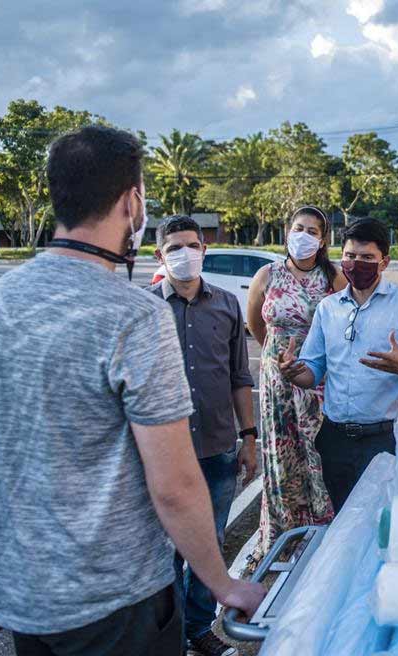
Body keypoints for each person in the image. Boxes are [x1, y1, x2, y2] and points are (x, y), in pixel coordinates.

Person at [0, 125, 264, 656]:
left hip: (22, 595)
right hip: (113, 604)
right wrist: (223, 582)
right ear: (132, 201)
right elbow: (173, 481)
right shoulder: (134, 315)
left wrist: (2, 546)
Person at [279, 218, 398, 509]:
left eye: (367, 258)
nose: (357, 264)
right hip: (334, 439)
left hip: (385, 440)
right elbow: (312, 370)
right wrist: (294, 372)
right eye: (350, 256)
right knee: (344, 523)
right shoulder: (328, 309)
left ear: (384, 262)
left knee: (382, 523)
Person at [149, 215, 258, 656]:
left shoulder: (228, 305)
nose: (184, 254)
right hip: (164, 453)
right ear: (159, 256)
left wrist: (248, 436)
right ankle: (167, 635)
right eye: (174, 248)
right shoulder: (145, 309)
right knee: (165, 552)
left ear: (204, 249)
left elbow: (238, 376)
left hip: (216, 447)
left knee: (208, 545)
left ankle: (197, 628)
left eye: (191, 245)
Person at [246, 206, 345, 561]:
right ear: (287, 231)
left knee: (316, 452)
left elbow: (345, 324)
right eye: (298, 228)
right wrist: (277, 355)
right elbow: (257, 325)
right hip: (277, 382)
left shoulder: (332, 277)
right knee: (280, 454)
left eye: (313, 231)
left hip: (317, 379)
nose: (304, 235)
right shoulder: (267, 275)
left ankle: (319, 531)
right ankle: (282, 532)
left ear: (323, 240)